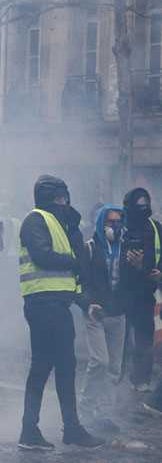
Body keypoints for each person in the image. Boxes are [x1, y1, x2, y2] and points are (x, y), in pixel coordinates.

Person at [17, 175, 104, 450]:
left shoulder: (66, 225)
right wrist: (75, 260)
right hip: (43, 304)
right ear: (45, 198)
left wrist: (85, 301)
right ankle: (35, 430)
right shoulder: (35, 219)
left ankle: (66, 428)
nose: (63, 202)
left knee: (63, 366)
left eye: (65, 197)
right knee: (46, 366)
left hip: (59, 304)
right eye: (58, 198)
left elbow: (73, 276)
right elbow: (43, 256)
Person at [80, 205, 126, 434]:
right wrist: (89, 303)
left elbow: (133, 281)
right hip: (96, 313)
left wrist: (139, 266)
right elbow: (81, 280)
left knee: (114, 367)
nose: (115, 226)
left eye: (118, 222)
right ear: (101, 223)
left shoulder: (126, 248)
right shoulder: (89, 248)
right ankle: (86, 410)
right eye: (110, 222)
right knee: (100, 361)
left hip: (118, 313)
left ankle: (105, 414)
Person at [120, 188, 162, 392]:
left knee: (144, 338)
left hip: (146, 293)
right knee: (120, 338)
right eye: (139, 203)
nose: (143, 206)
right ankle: (116, 378)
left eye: (145, 202)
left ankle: (141, 379)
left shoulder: (156, 228)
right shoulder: (119, 227)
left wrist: (157, 273)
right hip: (121, 292)